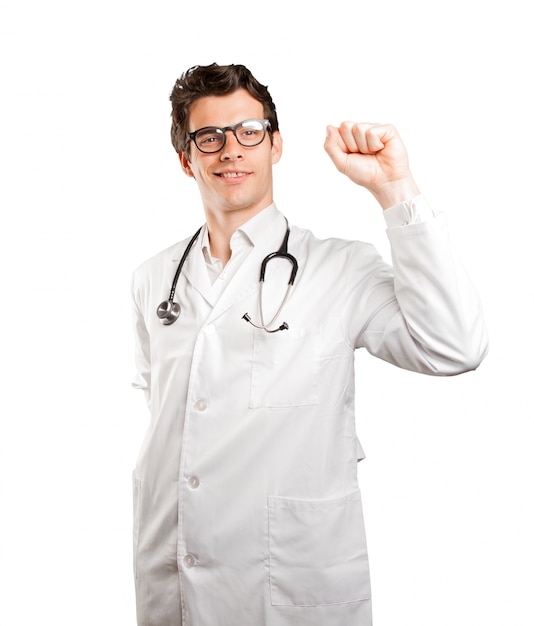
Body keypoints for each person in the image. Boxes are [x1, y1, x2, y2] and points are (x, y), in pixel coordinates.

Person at [130, 63, 488, 626]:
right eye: (209, 137)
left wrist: (395, 190)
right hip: (172, 578)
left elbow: (454, 346)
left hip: (293, 583)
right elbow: (167, 417)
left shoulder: (341, 268)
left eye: (249, 131)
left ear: (276, 146)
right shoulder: (155, 279)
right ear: (186, 159)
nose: (231, 149)